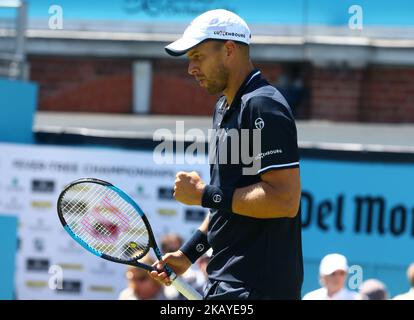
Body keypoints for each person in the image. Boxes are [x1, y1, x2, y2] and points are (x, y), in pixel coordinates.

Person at [150, 9, 303, 300]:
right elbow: (231, 202)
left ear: (229, 50)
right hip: (225, 283)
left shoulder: (263, 105)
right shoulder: (224, 107)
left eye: (198, 56)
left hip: (258, 289)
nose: (190, 68)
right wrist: (188, 253)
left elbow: (285, 200)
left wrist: (204, 194)